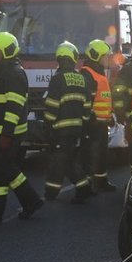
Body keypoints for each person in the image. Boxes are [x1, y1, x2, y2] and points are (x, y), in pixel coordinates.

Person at [0, 32, 43, 226]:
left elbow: (13, 108)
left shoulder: (13, 74)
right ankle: (31, 202)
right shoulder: (2, 71)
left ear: (7, 52)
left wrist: (6, 134)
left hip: (6, 134)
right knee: (7, 170)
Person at [43, 41, 94, 203]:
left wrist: (48, 125)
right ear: (73, 59)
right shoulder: (82, 78)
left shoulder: (57, 79)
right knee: (69, 160)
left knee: (58, 161)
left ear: (59, 59)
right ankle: (84, 188)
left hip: (60, 129)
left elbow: (52, 105)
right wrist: (83, 123)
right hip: (77, 128)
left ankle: (51, 193)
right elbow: (87, 106)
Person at [80, 39, 116, 192]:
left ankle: (101, 182)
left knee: (101, 154)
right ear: (97, 57)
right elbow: (86, 101)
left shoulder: (99, 73)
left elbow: (104, 98)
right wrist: (91, 119)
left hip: (102, 123)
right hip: (92, 124)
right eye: (106, 56)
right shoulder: (88, 75)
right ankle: (88, 186)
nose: (109, 59)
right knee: (89, 155)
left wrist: (111, 114)